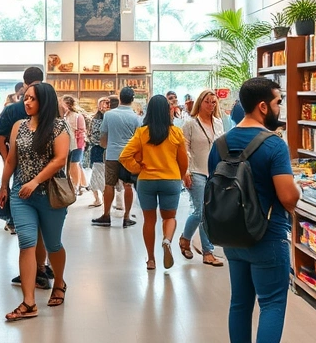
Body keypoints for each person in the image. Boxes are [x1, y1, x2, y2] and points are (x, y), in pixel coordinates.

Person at [209, 77, 301, 343]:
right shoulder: (274, 144)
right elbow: (287, 198)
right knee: (272, 303)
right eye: (277, 102)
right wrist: (299, 189)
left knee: (239, 302)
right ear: (262, 106)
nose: (279, 108)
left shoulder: (220, 144)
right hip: (267, 237)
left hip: (232, 234)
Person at [0, 83, 71, 321]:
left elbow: (60, 160)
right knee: (26, 243)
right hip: (22, 194)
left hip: (50, 194)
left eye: (31, 99)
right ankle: (29, 303)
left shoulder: (59, 127)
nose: (26, 102)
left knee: (53, 244)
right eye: (25, 98)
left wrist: (36, 181)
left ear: (45, 102)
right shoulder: (19, 126)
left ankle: (59, 282)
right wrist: (4, 186)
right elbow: (11, 160)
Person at [0, 67, 54, 289]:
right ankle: (41, 267)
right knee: (42, 228)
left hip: (21, 174)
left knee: (27, 230)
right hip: (45, 175)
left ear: (24, 81)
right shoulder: (50, 107)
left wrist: (7, 158)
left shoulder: (13, 110)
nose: (29, 102)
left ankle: (37, 270)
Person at [120, 95, 189, 270]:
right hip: (170, 179)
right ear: (168, 111)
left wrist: (136, 168)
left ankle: (151, 259)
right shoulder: (176, 133)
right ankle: (167, 240)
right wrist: (179, 177)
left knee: (149, 221)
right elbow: (183, 162)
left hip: (147, 181)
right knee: (170, 217)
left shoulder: (142, 133)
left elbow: (124, 156)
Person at [179, 89, 225, 267]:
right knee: (200, 211)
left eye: (214, 102)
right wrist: (185, 172)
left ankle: (186, 240)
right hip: (195, 171)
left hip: (214, 172)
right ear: (200, 102)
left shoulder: (218, 123)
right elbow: (184, 150)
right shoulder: (190, 124)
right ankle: (207, 251)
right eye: (207, 101)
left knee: (208, 212)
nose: (211, 105)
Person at [94, 87, 142, 228]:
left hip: (112, 154)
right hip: (129, 156)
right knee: (128, 186)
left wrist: (106, 147)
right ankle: (126, 217)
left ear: (120, 98)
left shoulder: (109, 115)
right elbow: (138, 138)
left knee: (109, 185)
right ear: (132, 100)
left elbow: (103, 135)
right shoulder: (136, 118)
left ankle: (106, 215)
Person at [62, 95, 88, 194]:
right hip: (69, 144)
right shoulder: (65, 116)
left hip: (77, 144)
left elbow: (81, 132)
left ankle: (75, 186)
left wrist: (78, 145)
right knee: (76, 165)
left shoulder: (77, 116)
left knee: (74, 164)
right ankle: (82, 184)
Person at [86, 97, 109, 208]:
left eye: (107, 103)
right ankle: (97, 199)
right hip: (98, 149)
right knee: (96, 174)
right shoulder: (95, 119)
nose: (104, 106)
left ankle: (105, 199)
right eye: (102, 103)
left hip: (108, 150)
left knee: (107, 176)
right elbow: (93, 135)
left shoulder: (110, 117)